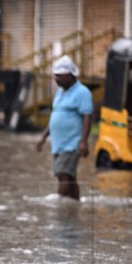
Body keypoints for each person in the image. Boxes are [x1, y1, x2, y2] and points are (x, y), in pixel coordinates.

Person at [36, 55, 93, 201]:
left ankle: (61, 206)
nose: (57, 79)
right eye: (56, 76)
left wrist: (84, 142)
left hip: (71, 143)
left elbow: (88, 116)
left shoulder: (82, 92)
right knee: (70, 176)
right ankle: (75, 203)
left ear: (70, 75)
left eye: (60, 76)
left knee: (62, 174)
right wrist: (43, 137)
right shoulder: (60, 93)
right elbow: (55, 116)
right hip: (58, 144)